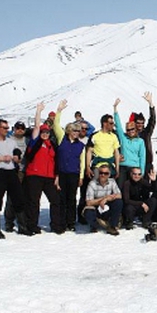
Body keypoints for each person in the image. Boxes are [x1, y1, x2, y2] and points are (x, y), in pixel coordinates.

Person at [0, 118, 32, 238]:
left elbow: (17, 153)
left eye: (7, 128)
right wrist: (1, 158)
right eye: (4, 128)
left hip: (11, 172)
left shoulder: (11, 142)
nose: (6, 130)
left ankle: (22, 227)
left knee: (18, 199)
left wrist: (16, 157)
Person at [25, 102, 62, 234]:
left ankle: (56, 225)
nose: (45, 134)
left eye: (47, 132)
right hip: (35, 175)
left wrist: (56, 176)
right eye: (43, 132)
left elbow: (55, 161)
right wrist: (38, 112)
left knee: (55, 200)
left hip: (49, 176)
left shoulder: (51, 145)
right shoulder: (35, 141)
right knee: (34, 202)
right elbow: (36, 126)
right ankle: (31, 225)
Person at [53, 100, 86, 232]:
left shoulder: (81, 145)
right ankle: (61, 221)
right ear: (69, 131)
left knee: (71, 198)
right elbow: (56, 125)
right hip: (62, 172)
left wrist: (81, 176)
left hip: (73, 173)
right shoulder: (62, 139)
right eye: (74, 130)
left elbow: (82, 162)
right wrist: (59, 111)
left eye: (78, 131)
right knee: (61, 198)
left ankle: (71, 222)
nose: (76, 133)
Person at [113, 98, 146, 187]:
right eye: (128, 130)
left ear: (135, 129)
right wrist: (115, 109)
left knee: (132, 188)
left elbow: (142, 157)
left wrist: (141, 172)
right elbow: (118, 126)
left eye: (132, 129)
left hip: (134, 168)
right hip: (123, 166)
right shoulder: (123, 138)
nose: (130, 131)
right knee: (120, 186)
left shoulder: (140, 141)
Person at [84, 164, 123, 235]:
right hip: (96, 206)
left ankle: (112, 226)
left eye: (106, 173)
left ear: (109, 174)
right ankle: (95, 225)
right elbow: (89, 202)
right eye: (101, 173)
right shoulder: (92, 184)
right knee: (88, 212)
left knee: (118, 202)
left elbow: (119, 195)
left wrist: (106, 199)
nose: (103, 175)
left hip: (107, 205)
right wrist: (102, 199)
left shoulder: (112, 182)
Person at [85, 114, 121, 180]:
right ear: (104, 123)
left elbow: (116, 152)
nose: (113, 125)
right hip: (97, 165)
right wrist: (88, 167)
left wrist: (117, 169)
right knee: (96, 184)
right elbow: (89, 152)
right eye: (111, 123)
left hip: (110, 165)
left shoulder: (114, 136)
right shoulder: (94, 135)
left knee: (110, 185)